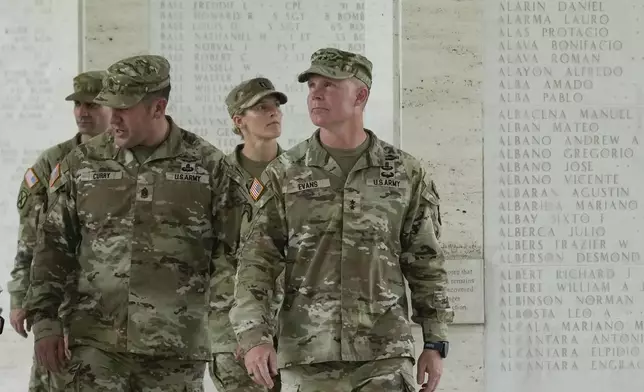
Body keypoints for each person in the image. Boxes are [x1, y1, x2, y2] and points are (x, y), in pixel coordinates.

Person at [229, 48, 453, 392]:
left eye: (329, 85)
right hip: (308, 357)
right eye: (312, 85)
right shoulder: (284, 173)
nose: (315, 93)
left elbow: (426, 261)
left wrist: (435, 342)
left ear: (360, 95)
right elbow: (256, 262)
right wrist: (253, 336)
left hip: (385, 355)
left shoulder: (405, 172)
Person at [24, 54, 231, 391]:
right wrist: (45, 322)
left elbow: (231, 254)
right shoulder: (81, 163)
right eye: (110, 107)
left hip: (175, 348)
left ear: (157, 107)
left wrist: (228, 331)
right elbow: (53, 246)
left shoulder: (208, 167)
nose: (113, 118)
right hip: (95, 343)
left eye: (123, 108)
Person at [7, 70, 111, 391]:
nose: (83, 112)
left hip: (112, 305)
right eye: (78, 104)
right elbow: (31, 235)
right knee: (52, 377)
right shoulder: (53, 162)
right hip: (61, 300)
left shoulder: (129, 161)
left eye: (92, 105)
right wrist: (20, 294)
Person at [209, 77, 287, 392]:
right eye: (261, 107)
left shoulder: (300, 174)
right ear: (238, 121)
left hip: (297, 327)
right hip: (230, 327)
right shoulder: (215, 179)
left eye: (277, 106)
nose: (274, 113)